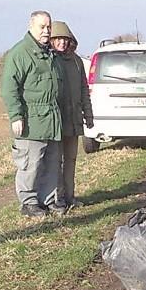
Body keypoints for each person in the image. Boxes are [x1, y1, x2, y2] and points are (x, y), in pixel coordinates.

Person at [0, 10, 63, 217]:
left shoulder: (49, 53)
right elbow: (10, 88)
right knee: (31, 163)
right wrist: (16, 116)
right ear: (31, 26)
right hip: (31, 120)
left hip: (52, 118)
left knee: (52, 162)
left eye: (48, 27)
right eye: (42, 27)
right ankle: (28, 202)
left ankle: (48, 200)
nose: (46, 31)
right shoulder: (20, 53)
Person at [49, 20, 93, 215]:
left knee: (71, 160)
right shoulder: (49, 61)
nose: (62, 43)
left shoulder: (76, 62)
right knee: (55, 161)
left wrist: (88, 114)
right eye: (58, 39)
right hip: (56, 121)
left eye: (65, 39)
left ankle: (70, 196)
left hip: (74, 119)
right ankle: (57, 200)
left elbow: (84, 90)